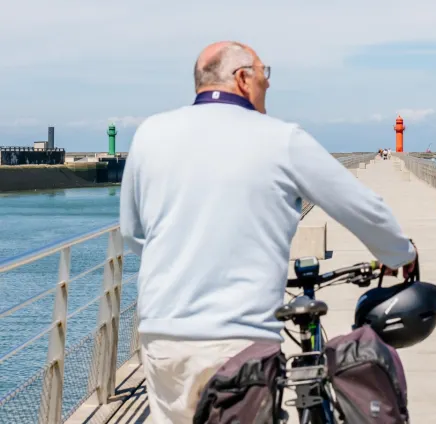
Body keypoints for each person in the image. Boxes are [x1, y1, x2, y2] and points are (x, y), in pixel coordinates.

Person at [120, 41, 417, 424]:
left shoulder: (149, 134)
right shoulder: (280, 139)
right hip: (239, 339)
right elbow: (360, 207)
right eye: (265, 73)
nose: (268, 84)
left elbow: (132, 232)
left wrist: (186, 262)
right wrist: (401, 253)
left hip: (162, 333)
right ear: (242, 79)